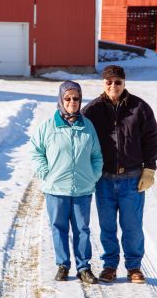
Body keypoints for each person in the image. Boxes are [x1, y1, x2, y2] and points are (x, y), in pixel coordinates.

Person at [81, 65, 157, 284]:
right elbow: (81, 141)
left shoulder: (140, 107)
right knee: (107, 226)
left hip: (131, 178)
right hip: (104, 179)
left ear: (124, 83)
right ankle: (109, 266)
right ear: (103, 83)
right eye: (109, 82)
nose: (113, 86)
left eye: (118, 82)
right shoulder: (92, 110)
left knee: (132, 226)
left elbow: (152, 139)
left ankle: (134, 267)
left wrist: (150, 168)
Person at [30, 80, 103, 284]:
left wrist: (93, 175)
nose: (72, 101)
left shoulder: (87, 126)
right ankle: (63, 265)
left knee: (82, 229)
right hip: (55, 189)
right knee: (58, 227)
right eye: (68, 98)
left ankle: (84, 267)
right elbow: (36, 152)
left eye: (76, 98)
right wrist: (46, 172)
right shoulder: (48, 125)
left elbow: (97, 155)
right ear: (61, 99)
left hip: (82, 188)